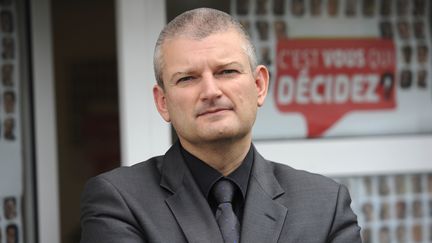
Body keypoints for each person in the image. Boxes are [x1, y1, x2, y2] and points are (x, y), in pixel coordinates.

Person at [80, 8, 361, 243]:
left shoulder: (325, 204)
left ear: (259, 85)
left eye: (227, 71)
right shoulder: (119, 202)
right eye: (187, 78)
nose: (211, 91)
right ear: (163, 101)